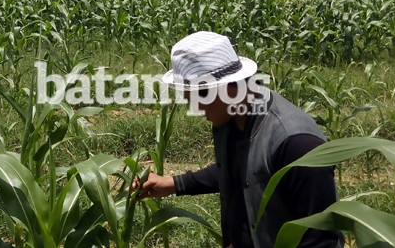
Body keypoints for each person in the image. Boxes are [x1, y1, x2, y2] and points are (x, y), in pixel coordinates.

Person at [136, 31, 344, 248]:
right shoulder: (231, 118)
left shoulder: (296, 144)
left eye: (196, 99)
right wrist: (172, 184)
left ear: (225, 89)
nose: (195, 109)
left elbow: (321, 241)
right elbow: (242, 170)